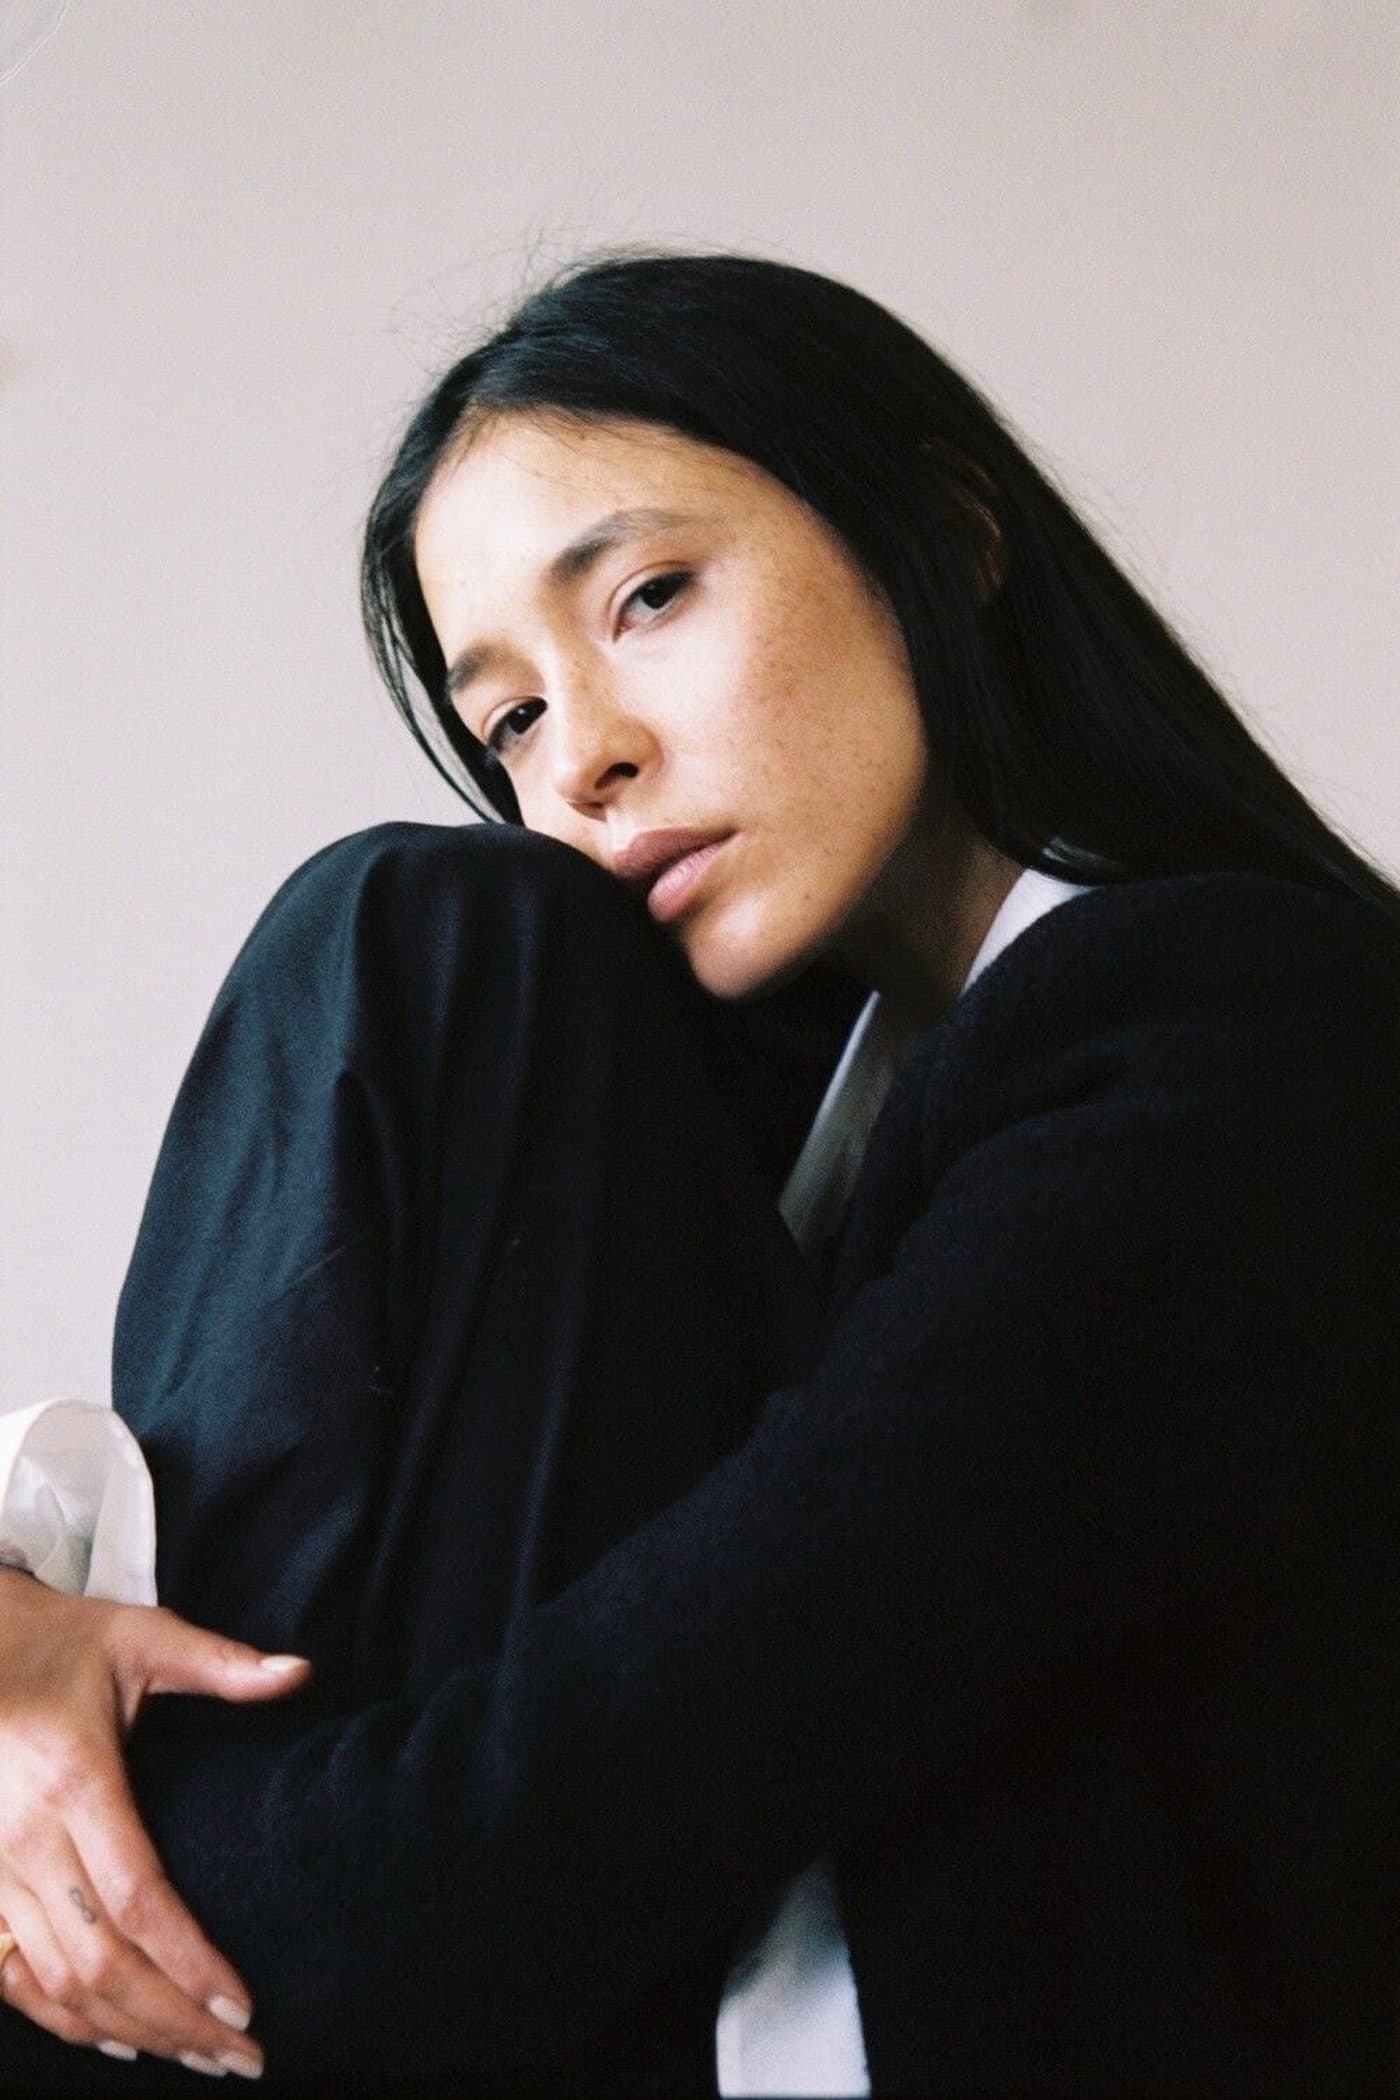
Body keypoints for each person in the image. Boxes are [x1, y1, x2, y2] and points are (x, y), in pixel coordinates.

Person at [0, 248, 1397, 2095]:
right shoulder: (764, 1139)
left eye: (647, 597)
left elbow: (487, 1863)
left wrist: (87, 1842)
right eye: (508, 720)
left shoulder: (1235, 1042)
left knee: (412, 921)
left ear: (947, 533)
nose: (584, 757)